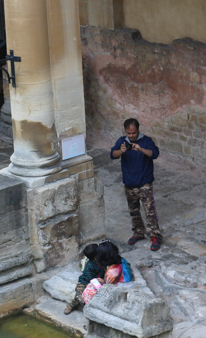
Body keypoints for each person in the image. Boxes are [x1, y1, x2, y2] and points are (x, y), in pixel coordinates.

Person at [111, 118, 162, 251]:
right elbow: (113, 154)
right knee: (134, 211)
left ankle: (155, 236)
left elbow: (154, 154)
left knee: (150, 211)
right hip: (129, 183)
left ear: (138, 130)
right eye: (129, 133)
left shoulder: (146, 141)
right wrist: (121, 151)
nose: (131, 136)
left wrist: (141, 149)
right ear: (125, 132)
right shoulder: (122, 141)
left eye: (133, 133)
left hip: (144, 183)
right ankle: (138, 232)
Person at [65, 243, 102, 315]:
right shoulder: (90, 266)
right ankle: (71, 306)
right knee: (79, 296)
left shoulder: (100, 261)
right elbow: (91, 280)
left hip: (96, 281)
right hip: (84, 282)